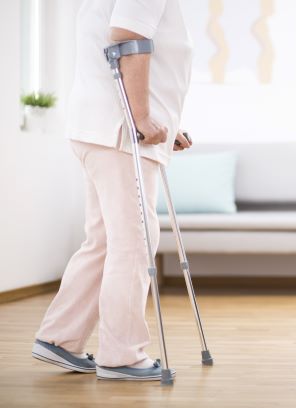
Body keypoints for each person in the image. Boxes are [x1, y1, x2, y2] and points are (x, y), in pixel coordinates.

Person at [32, 0, 193, 381]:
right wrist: (140, 117)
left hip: (99, 128)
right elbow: (128, 38)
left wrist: (164, 124)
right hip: (120, 132)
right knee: (133, 241)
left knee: (105, 240)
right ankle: (122, 355)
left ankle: (60, 337)